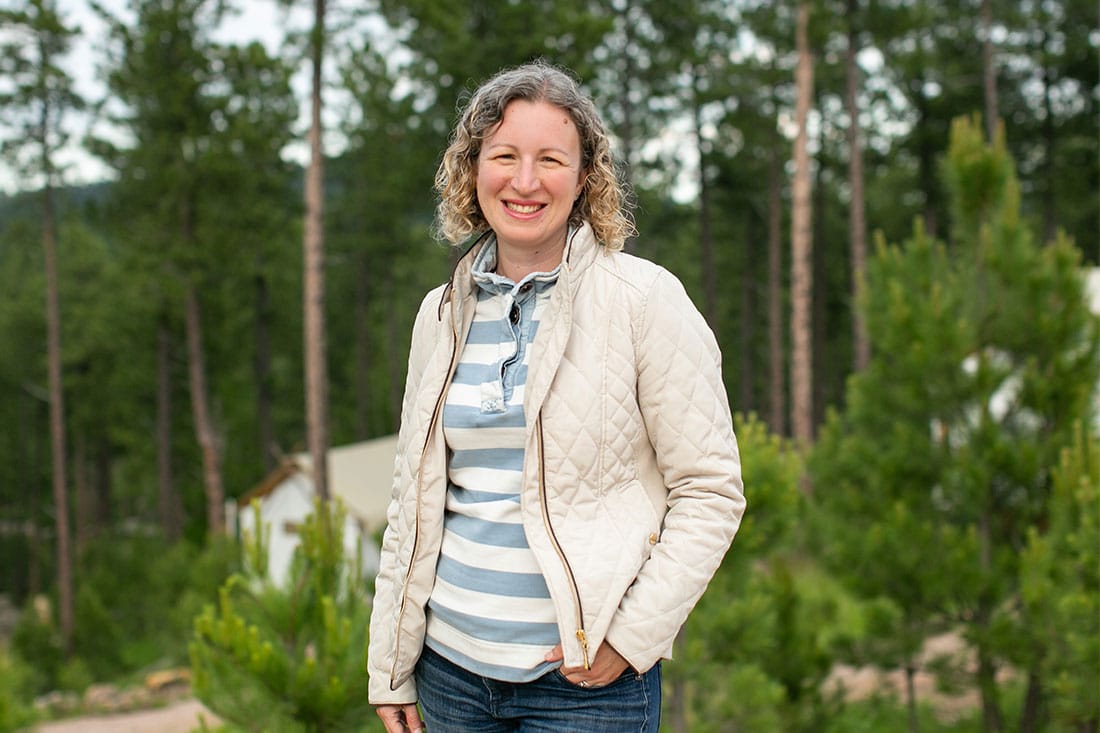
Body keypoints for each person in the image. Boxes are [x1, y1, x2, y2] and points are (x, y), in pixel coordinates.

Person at [367, 60, 746, 733]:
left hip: (586, 689)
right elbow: (411, 498)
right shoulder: (440, 311)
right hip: (450, 679)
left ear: (584, 177)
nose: (524, 180)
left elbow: (711, 489)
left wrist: (632, 637)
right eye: (504, 155)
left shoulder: (644, 301)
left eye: (550, 159)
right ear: (472, 168)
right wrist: (391, 666)